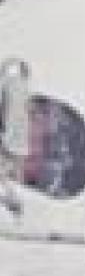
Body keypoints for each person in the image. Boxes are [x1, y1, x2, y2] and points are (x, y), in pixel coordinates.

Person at [0, 57, 31, 218]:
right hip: (18, 143)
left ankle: (13, 203)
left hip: (10, 142)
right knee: (5, 176)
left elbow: (9, 115)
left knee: (4, 175)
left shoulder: (9, 87)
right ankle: (13, 202)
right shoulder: (23, 88)